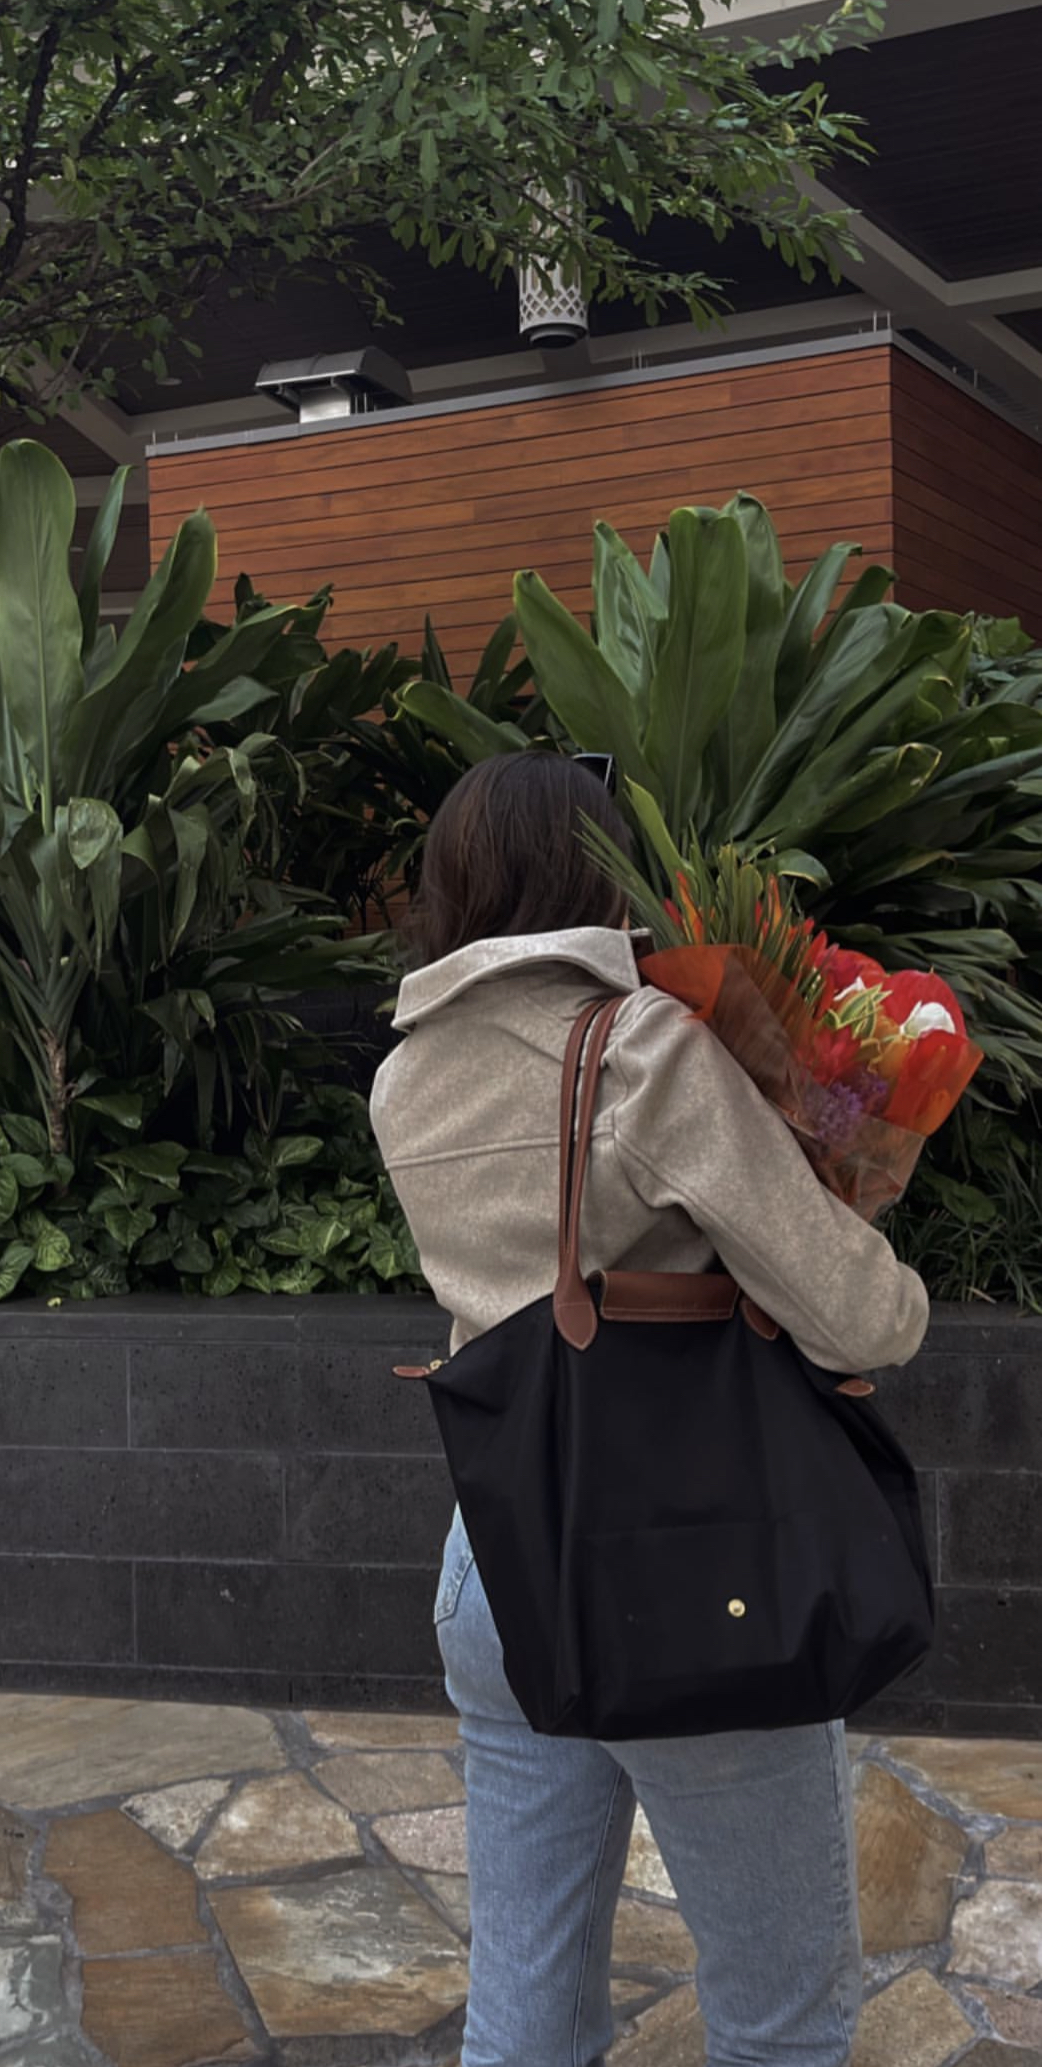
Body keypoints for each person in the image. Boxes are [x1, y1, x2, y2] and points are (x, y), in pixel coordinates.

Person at [368, 752, 929, 2067]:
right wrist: (872, 1227)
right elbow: (855, 1314)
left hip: (498, 1564)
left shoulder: (407, 1076)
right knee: (782, 2018)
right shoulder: (644, 1050)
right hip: (687, 1569)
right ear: (600, 868)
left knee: (526, 2014)